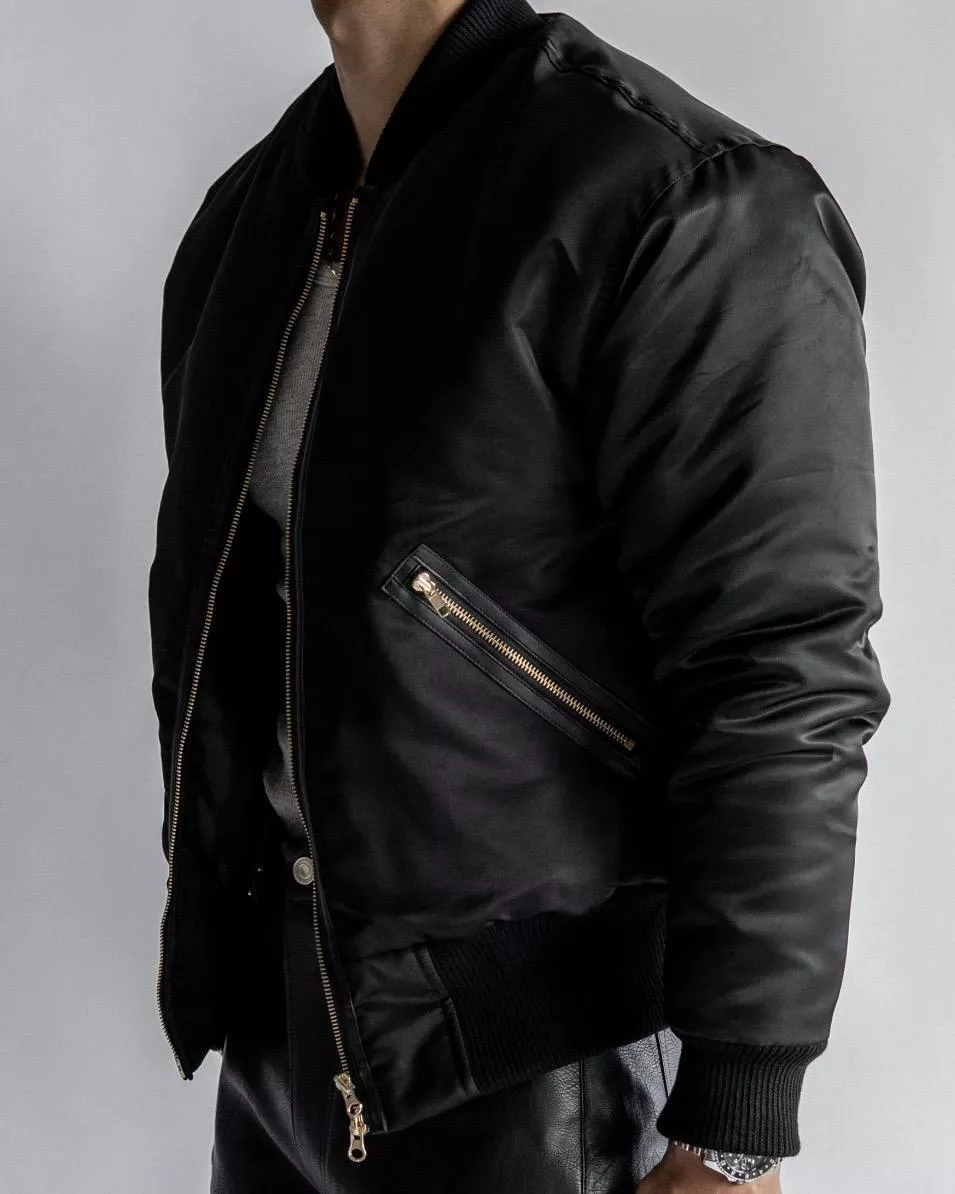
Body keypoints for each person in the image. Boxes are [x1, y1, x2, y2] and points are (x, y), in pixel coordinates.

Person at [147, 0, 891, 1190]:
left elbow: (778, 672)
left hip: (546, 1087)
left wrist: (736, 1119)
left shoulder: (675, 199)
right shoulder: (250, 222)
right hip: (282, 1055)